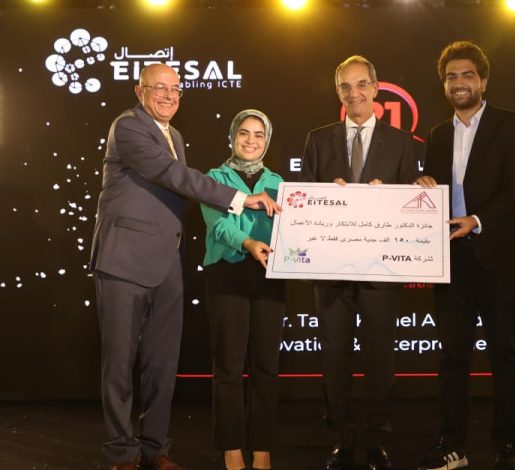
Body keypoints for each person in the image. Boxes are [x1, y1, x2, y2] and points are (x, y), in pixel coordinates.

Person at [89, 64, 277, 470]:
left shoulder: (174, 136)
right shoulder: (128, 126)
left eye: (175, 89)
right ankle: (121, 452)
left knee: (162, 363)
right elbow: (173, 175)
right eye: (159, 87)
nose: (168, 95)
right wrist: (241, 199)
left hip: (167, 263)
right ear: (139, 91)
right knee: (119, 364)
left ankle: (154, 447)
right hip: (123, 261)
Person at [415, 41, 515, 470]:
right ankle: (453, 445)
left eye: (467, 75)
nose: (459, 83)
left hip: (498, 256)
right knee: (452, 357)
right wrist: (423, 186)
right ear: (443, 84)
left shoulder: (510, 124)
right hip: (450, 259)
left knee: (505, 355)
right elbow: (434, 188)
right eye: (451, 77)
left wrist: (477, 220)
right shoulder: (438, 134)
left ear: (483, 80)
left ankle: (509, 445)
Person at [299, 55, 419, 470]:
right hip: (330, 269)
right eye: (346, 86)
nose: (355, 93)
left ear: (376, 87)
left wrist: (391, 195)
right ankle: (342, 439)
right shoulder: (318, 140)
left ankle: (377, 439)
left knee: (380, 356)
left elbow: (411, 205)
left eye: (362, 84)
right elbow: (304, 200)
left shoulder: (402, 143)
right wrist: (326, 195)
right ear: (338, 92)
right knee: (334, 357)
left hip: (382, 269)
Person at [201, 109, 285, 470]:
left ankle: (262, 446)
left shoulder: (279, 181)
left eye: (259, 135)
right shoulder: (213, 178)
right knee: (229, 365)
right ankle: (231, 445)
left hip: (270, 276)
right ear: (232, 136)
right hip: (227, 274)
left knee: (267, 366)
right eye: (244, 133)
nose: (251, 141)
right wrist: (248, 242)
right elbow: (218, 226)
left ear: (267, 141)